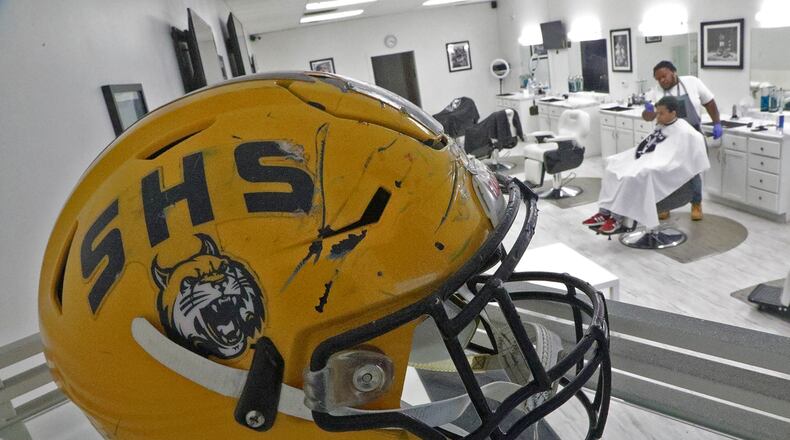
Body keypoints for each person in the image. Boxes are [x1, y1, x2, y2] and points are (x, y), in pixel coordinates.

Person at [583, 96, 710, 234]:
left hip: (662, 168)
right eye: (657, 113)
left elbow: (679, 160)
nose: (657, 117)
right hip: (647, 160)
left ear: (673, 113)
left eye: (661, 113)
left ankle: (616, 219)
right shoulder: (662, 126)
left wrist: (655, 164)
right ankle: (604, 212)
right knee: (612, 167)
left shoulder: (687, 132)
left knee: (632, 176)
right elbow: (649, 146)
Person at [642, 60, 721, 221]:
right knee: (665, 171)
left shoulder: (692, 82)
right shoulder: (655, 92)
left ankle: (696, 204)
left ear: (674, 72)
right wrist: (648, 112)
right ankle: (665, 205)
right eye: (658, 79)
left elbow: (710, 103)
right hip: (667, 137)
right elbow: (648, 117)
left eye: (664, 76)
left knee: (693, 172)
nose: (662, 81)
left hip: (691, 136)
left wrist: (717, 123)